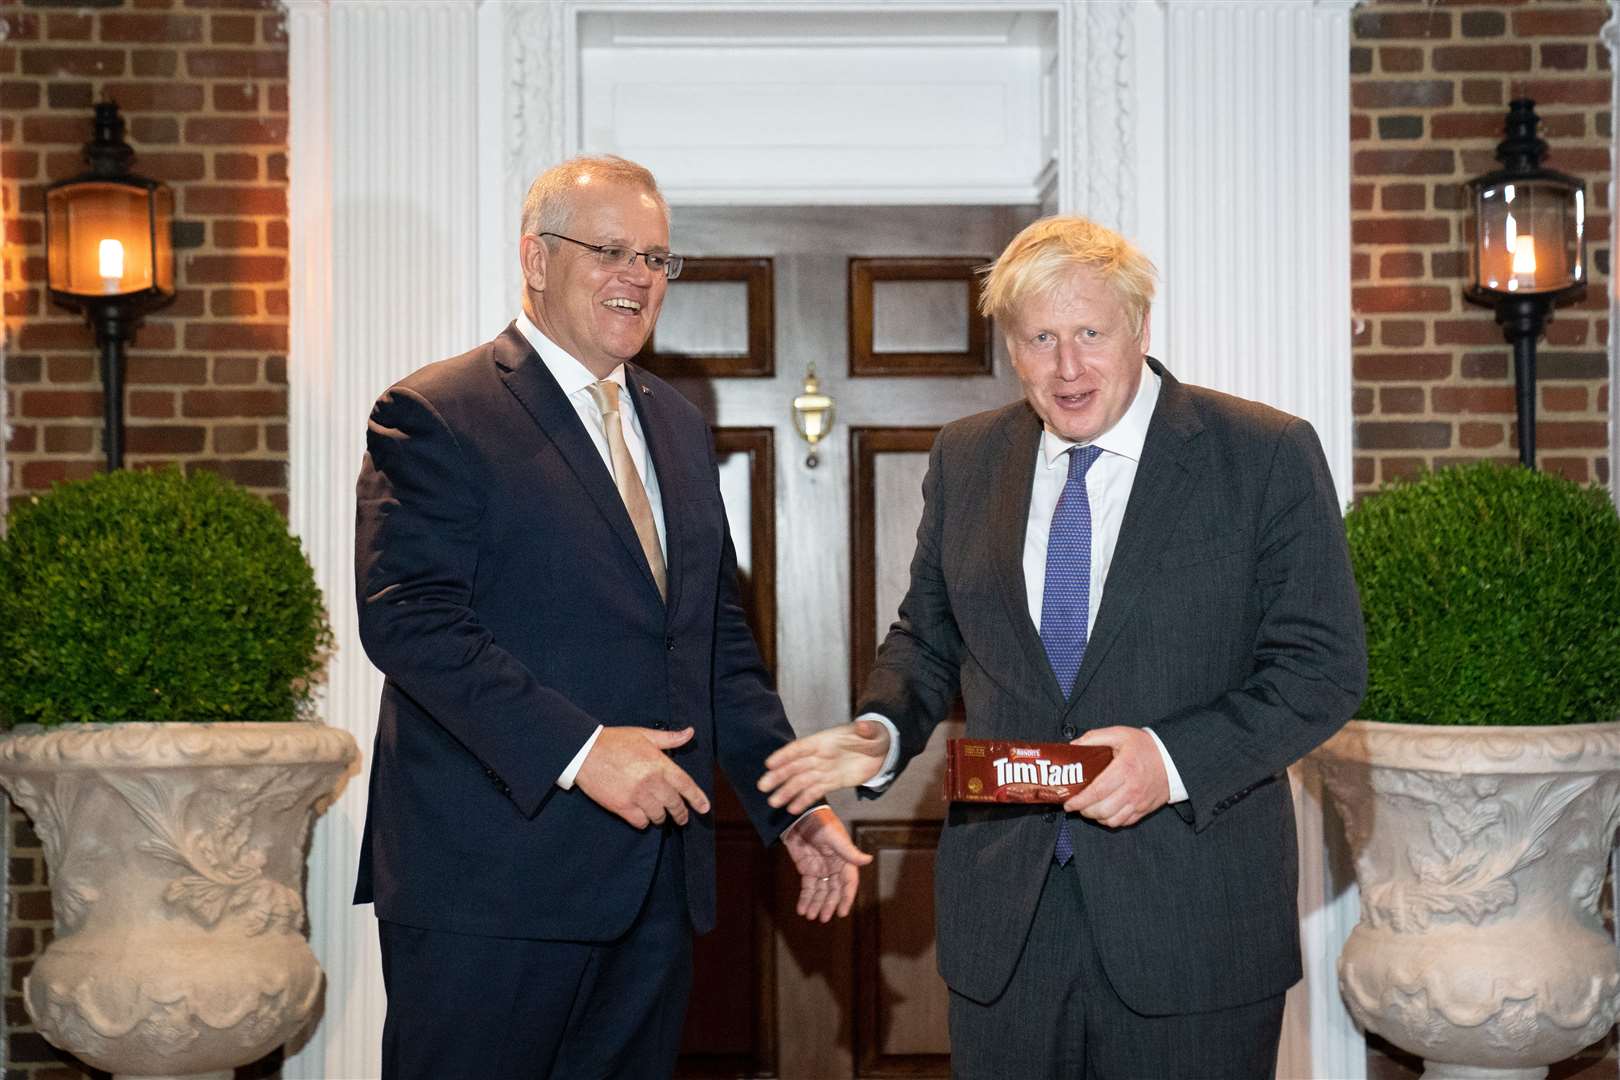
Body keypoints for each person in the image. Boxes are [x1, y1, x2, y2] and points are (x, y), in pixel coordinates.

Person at [758, 216, 1366, 1078]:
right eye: (1040, 338)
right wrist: (880, 732)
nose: (1067, 366)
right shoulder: (968, 457)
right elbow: (926, 641)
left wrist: (1166, 761)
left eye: (1089, 333)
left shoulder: (1262, 454)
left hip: (1194, 927)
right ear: (1011, 344)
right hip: (1006, 931)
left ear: (1140, 329)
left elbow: (1322, 668)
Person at [354, 154, 869, 1080]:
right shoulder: (436, 412)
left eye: (658, 260)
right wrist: (584, 750)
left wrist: (789, 809)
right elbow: (409, 621)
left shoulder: (675, 423)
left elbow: (716, 651)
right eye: (611, 251)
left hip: (654, 895)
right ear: (536, 258)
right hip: (489, 893)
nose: (638, 277)